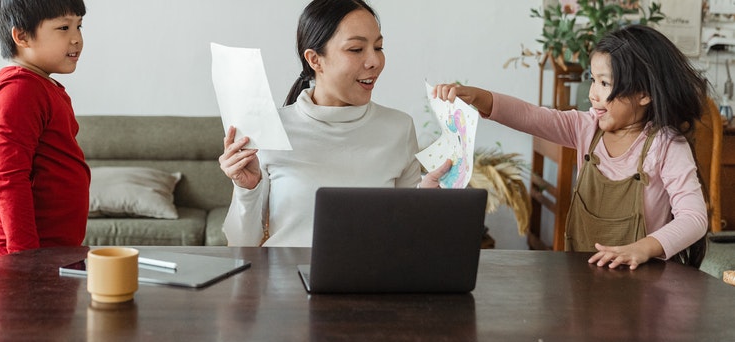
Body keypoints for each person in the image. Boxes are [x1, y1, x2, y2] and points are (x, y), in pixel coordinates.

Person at [433, 25, 709, 270]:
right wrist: (479, 97)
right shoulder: (586, 128)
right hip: (585, 277)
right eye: (593, 79)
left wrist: (643, 248)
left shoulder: (666, 145)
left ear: (644, 94)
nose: (593, 94)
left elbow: (694, 217)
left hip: (646, 287)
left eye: (605, 83)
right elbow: (532, 116)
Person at [219, 0, 450, 247]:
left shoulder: (398, 128)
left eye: (378, 47)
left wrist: (428, 202)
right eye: (356, 49)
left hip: (370, 280)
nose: (374, 61)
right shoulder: (270, 129)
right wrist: (247, 188)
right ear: (315, 59)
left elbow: (408, 238)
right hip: (285, 280)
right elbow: (241, 245)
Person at [0, 0, 90, 268]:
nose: (77, 39)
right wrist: (25, 260)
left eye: (79, 26)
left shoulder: (42, 86)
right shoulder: (19, 91)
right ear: (22, 36)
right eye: (64, 27)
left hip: (54, 254)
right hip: (21, 261)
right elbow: (10, 180)